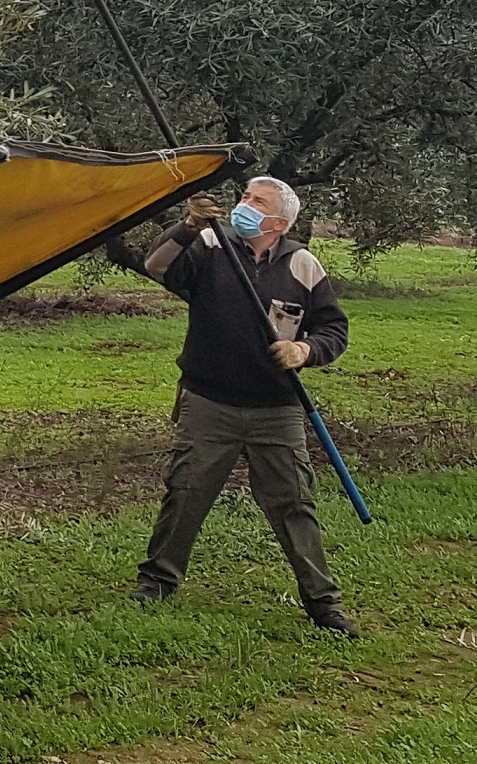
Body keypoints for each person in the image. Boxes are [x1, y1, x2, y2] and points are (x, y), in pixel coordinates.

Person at [128, 173, 357, 635]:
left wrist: (303, 351)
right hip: (209, 400)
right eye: (245, 196)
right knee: (186, 491)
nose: (244, 205)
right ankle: (156, 582)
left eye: (257, 201)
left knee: (294, 502)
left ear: (279, 221)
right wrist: (188, 226)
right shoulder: (213, 243)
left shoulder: (303, 265)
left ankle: (323, 604)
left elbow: (334, 331)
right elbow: (158, 266)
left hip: (278, 409)